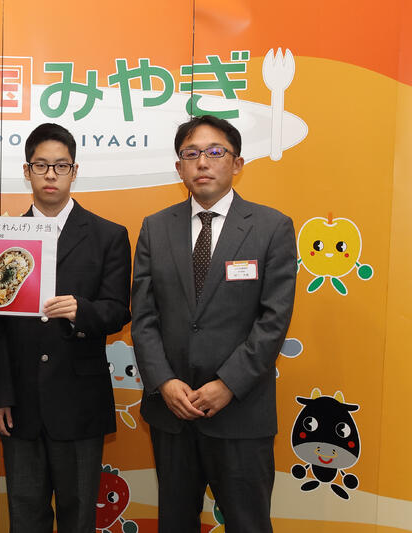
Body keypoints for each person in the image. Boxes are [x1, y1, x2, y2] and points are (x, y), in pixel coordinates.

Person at [131, 115, 297, 532]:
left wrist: (228, 384)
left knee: (247, 523)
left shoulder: (272, 227)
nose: (202, 162)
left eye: (215, 152)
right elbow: (144, 317)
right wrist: (164, 382)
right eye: (191, 154)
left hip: (241, 411)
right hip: (173, 412)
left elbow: (273, 320)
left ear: (237, 163)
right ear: (179, 167)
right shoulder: (155, 228)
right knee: (175, 522)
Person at [0, 123, 131, 532]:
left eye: (61, 166)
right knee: (24, 517)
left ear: (74, 171)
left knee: (79, 517)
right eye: (41, 165)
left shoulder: (108, 235)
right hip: (19, 405)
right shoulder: (5, 237)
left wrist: (82, 311)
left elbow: (118, 310)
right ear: (27, 171)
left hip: (79, 401)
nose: (51, 175)